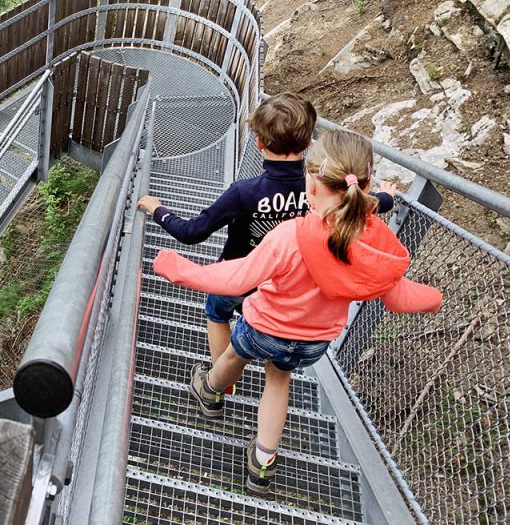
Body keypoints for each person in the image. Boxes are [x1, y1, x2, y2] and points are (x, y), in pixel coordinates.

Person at [152, 129, 442, 495]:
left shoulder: (291, 235)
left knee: (233, 354)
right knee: (278, 381)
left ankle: (210, 391)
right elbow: (398, 297)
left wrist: (182, 270)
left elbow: (238, 276)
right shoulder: (371, 241)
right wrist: (434, 298)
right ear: (365, 185)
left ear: (313, 183)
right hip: (312, 341)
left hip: (264, 326)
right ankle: (262, 463)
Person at [137, 93, 397, 369]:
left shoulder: (243, 193)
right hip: (286, 286)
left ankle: (218, 383)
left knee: (216, 312)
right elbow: (365, 204)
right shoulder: (326, 187)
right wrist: (387, 198)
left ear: (259, 143)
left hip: (240, 274)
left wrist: (159, 211)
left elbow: (192, 233)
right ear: (309, 143)